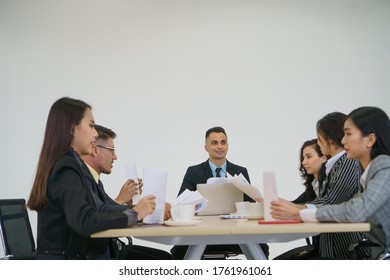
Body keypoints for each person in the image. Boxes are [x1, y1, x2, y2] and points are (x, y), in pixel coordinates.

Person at [27, 97, 156, 259]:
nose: (95, 134)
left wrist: (137, 211)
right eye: (91, 125)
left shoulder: (71, 164)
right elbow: (85, 221)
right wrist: (133, 215)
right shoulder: (66, 168)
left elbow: (96, 210)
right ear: (72, 129)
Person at [271, 106, 390, 259]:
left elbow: (354, 210)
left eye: (348, 134)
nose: (342, 140)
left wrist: (299, 212)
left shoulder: (384, 167)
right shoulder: (368, 170)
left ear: (371, 139)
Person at [172, 126, 269, 259]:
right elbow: (181, 204)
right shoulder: (193, 172)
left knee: (262, 247)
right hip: (201, 233)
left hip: (235, 233)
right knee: (178, 251)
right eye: (214, 143)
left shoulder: (240, 171)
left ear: (228, 146)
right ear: (206, 147)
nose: (219, 146)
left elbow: (249, 204)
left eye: (223, 142)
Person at [80, 124, 172, 259]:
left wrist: (131, 205)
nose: (115, 157)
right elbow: (99, 211)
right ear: (95, 149)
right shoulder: (81, 177)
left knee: (165, 257)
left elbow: (107, 208)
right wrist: (142, 209)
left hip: (108, 248)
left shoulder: (93, 178)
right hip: (95, 255)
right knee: (165, 261)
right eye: (111, 150)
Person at [274, 139, 328, 259]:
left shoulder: (330, 184)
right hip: (320, 248)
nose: (304, 162)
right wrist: (271, 202)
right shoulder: (313, 186)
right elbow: (294, 204)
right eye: (303, 158)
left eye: (309, 157)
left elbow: (300, 207)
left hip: (334, 250)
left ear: (324, 157)